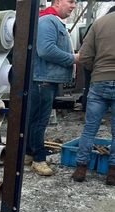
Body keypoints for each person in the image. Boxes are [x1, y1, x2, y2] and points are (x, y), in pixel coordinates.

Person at [25, 0, 78, 176]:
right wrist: (73, 58)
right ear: (57, 2)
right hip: (43, 79)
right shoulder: (48, 21)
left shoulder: (51, 20)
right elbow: (46, 50)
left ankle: (28, 154)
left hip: (45, 79)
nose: (73, 5)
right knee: (39, 121)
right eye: (70, 1)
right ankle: (38, 159)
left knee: (34, 119)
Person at [71, 7, 115, 185]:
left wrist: (96, 70)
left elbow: (84, 57)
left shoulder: (98, 23)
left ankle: (80, 169)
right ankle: (112, 173)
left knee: (89, 128)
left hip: (99, 80)